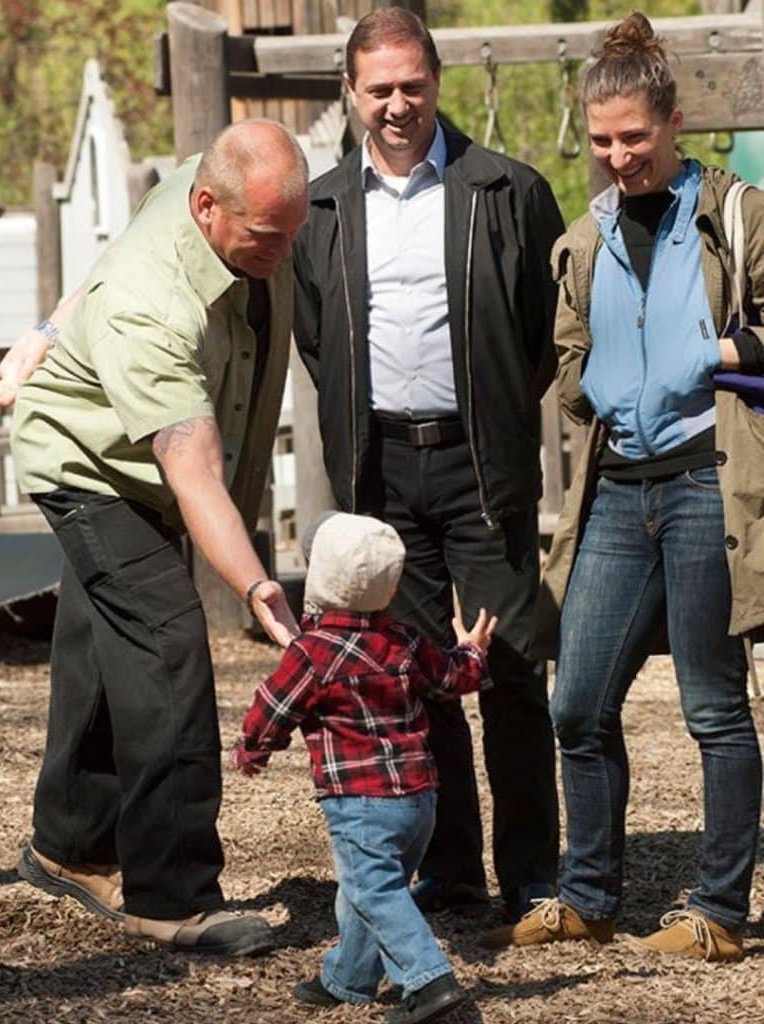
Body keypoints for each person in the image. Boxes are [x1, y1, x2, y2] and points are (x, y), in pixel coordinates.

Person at [0, 119, 309, 957]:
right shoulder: (153, 302)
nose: (286, 250)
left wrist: (44, 337)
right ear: (207, 207)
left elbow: (87, 280)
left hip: (133, 453)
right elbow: (194, 469)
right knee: (166, 640)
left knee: (106, 636)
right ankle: (172, 897)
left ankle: (69, 842)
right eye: (268, 237)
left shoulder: (208, 196)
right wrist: (256, 586)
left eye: (294, 230)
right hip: (86, 462)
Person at [484, 12, 764, 962]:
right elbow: (571, 351)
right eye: (602, 142)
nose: (618, 158)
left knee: (713, 707)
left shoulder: (736, 213)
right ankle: (589, 895)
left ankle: (718, 912)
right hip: (615, 492)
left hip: (706, 485)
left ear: (675, 122)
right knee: (576, 703)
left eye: (635, 139)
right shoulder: (585, 235)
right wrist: (580, 383)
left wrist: (714, 353)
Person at [291, 7, 562, 923]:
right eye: (380, 89)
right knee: (410, 676)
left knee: (514, 672)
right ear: (352, 93)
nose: (398, 104)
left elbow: (540, 337)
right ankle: (451, 873)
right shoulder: (321, 207)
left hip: (480, 465)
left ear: (436, 81)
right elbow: (319, 342)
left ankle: (532, 875)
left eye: (412, 84)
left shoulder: (507, 190)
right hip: (381, 476)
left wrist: (489, 418)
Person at [233, 512, 496, 1024]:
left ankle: (430, 984)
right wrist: (472, 651)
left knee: (374, 891)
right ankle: (347, 979)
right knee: (366, 890)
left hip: (360, 803)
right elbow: (451, 678)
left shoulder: (314, 653)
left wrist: (253, 748)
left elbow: (273, 706)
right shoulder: (405, 639)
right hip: (420, 800)